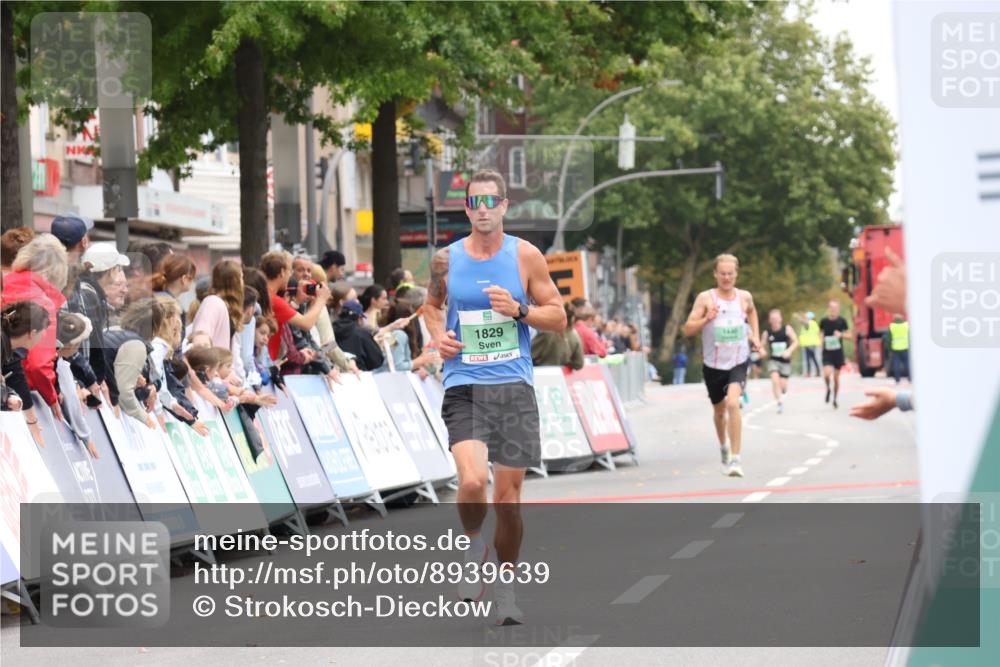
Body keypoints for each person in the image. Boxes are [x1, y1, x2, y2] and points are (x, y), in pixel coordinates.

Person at [424, 169, 565, 625]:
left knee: (508, 500)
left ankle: (506, 587)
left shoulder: (526, 256)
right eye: (474, 202)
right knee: (470, 482)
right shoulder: (445, 259)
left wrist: (520, 310)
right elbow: (431, 306)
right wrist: (437, 339)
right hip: (463, 382)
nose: (483, 209)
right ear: (466, 208)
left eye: (491, 201)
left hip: (513, 387)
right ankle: (470, 546)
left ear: (504, 206)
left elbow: (558, 316)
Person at [682, 253, 760, 477]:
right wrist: (707, 319)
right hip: (713, 365)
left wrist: (754, 335)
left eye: (730, 274)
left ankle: (736, 460)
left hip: (738, 360)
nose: (726, 278)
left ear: (736, 274)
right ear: (715, 274)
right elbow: (687, 329)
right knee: (719, 412)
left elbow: (752, 312)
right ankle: (724, 446)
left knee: (733, 404)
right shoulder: (705, 299)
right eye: (722, 274)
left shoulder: (744, 297)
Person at [1, 234, 69, 418]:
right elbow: (39, 365)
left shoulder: (5, 283)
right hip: (22, 395)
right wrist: (52, 397)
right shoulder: (43, 303)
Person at [260, 250, 330, 367]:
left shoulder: (267, 296)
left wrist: (297, 301)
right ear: (282, 272)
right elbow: (306, 324)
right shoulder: (274, 299)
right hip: (273, 363)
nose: (290, 275)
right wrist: (321, 300)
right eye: (290, 271)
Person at [103, 298, 163, 429]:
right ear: (155, 327)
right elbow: (124, 391)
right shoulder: (136, 345)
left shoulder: (113, 329)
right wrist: (144, 418)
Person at [1, 301, 50, 447]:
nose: (43, 337)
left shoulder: (6, 346)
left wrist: (7, 395)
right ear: (32, 333)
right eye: (42, 333)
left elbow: (16, 377)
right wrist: (5, 397)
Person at [53, 312, 99, 457]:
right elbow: (72, 401)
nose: (77, 350)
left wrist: (77, 384)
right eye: (77, 344)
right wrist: (87, 437)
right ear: (69, 344)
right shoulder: (60, 364)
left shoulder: (58, 360)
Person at [374, 301, 438, 373]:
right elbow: (398, 366)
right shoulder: (398, 335)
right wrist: (421, 360)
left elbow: (395, 359)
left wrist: (422, 361)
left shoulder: (391, 335)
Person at [763, 309, 799, 414]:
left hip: (785, 361)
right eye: (773, 319)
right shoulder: (767, 333)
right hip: (773, 360)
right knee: (775, 380)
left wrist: (789, 351)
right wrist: (762, 351)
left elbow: (796, 341)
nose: (775, 320)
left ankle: (782, 393)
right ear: (770, 320)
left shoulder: (787, 329)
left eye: (776, 318)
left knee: (783, 386)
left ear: (780, 319)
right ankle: (779, 403)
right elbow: (761, 345)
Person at [333, 299, 384, 371]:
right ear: (359, 318)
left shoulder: (330, 331)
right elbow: (377, 361)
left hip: (331, 375)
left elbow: (325, 350)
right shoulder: (362, 334)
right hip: (357, 374)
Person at [530, 303, 584, 370]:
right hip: (563, 376)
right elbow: (579, 364)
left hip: (541, 375)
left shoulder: (547, 333)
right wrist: (566, 362)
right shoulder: (575, 336)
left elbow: (528, 354)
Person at [152, 254, 197, 329]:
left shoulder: (155, 298)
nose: (192, 282)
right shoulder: (171, 306)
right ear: (184, 278)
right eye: (191, 278)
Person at [819, 300, 849, 409]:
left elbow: (850, 335)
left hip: (838, 353)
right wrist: (821, 341)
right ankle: (828, 388)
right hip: (827, 352)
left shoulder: (842, 321)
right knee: (826, 374)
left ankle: (835, 399)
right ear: (828, 308)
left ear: (838, 309)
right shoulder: (823, 321)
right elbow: (821, 333)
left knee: (836, 378)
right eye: (831, 308)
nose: (833, 310)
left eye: (835, 308)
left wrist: (841, 335)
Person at [794, 311, 821, 377]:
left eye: (806, 317)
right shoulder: (814, 323)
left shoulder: (810, 323)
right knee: (813, 358)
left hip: (809, 343)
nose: (804, 318)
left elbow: (803, 321)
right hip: (811, 343)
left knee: (808, 358)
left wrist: (798, 316)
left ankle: (809, 373)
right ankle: (817, 371)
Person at [888, 314, 910, 384]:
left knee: (896, 364)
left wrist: (889, 348)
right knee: (907, 364)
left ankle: (897, 379)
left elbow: (888, 339)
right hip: (905, 347)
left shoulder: (892, 326)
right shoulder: (906, 325)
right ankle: (910, 378)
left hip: (895, 348)